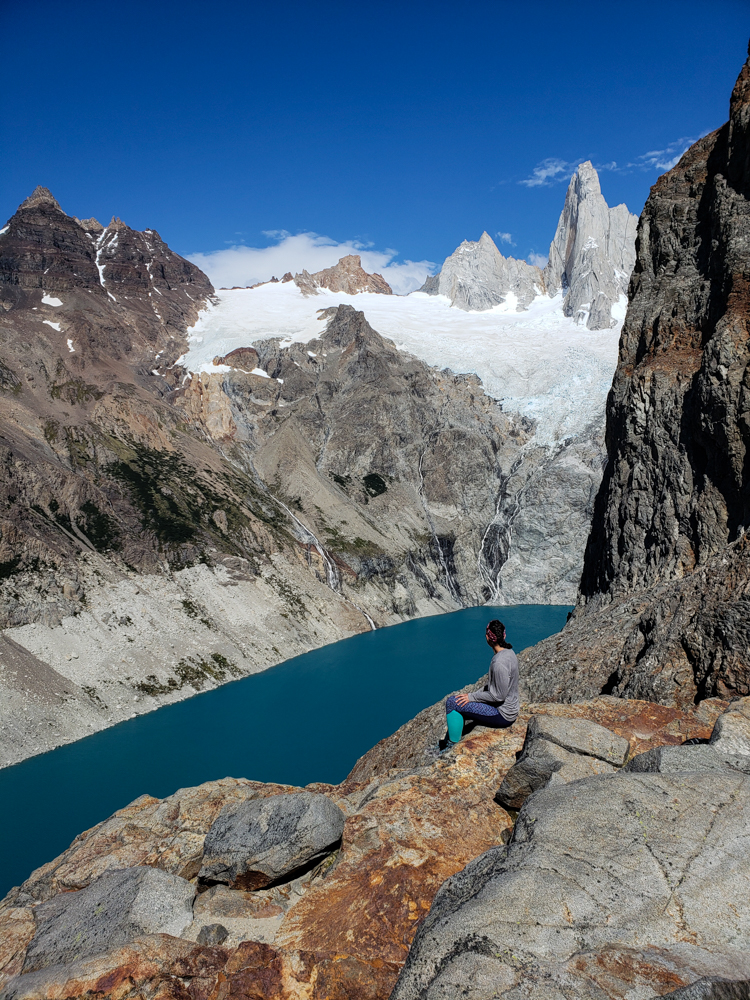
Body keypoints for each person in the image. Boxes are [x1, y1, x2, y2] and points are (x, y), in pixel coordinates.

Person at [439, 620, 519, 751]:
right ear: (504, 635)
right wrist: (474, 696)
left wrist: (472, 697)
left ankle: (451, 748)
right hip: (510, 709)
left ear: (488, 638)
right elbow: (496, 686)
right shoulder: (509, 653)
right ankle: (452, 740)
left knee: (452, 703)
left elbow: (498, 696)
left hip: (502, 714)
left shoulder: (499, 663)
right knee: (462, 702)